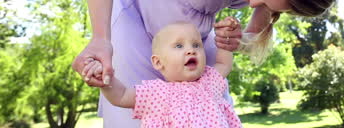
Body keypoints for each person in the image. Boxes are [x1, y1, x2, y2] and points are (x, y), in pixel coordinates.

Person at [72, 0, 341, 127]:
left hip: (192, 41)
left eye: (269, 5)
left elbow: (244, 43)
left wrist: (235, 40)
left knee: (213, 111)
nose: (254, 3)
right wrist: (100, 39)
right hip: (137, 23)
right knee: (133, 118)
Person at [82, 21, 242, 128]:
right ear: (158, 62)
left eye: (196, 45)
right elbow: (122, 95)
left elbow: (223, 63)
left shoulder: (210, 81)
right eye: (179, 46)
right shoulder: (155, 93)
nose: (191, 50)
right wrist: (104, 79)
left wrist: (225, 36)